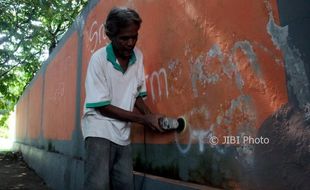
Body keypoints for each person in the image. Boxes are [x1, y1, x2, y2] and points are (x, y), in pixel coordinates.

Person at [81, 7, 164, 190]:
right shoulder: (99, 60)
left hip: (122, 134)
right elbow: (102, 107)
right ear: (111, 36)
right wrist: (143, 119)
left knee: (125, 184)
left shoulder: (138, 56)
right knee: (98, 185)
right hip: (99, 129)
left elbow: (135, 94)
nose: (130, 43)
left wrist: (152, 117)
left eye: (134, 37)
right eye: (124, 38)